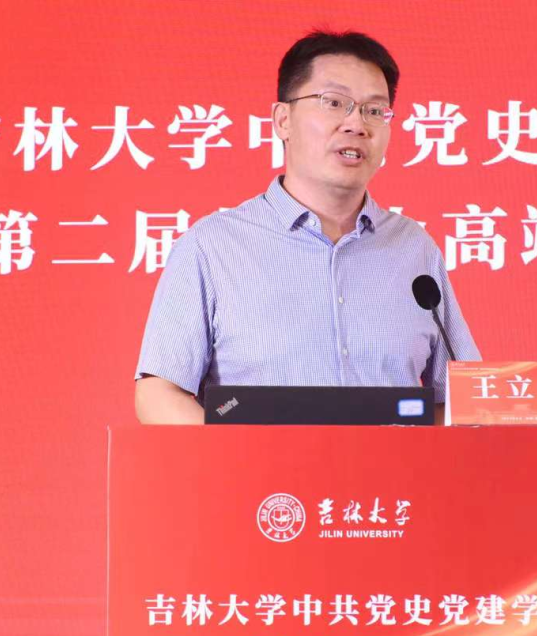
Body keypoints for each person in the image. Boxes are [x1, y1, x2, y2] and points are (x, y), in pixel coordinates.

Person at [134, 30, 480, 424]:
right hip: (258, 467)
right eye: (334, 103)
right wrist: (243, 453)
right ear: (283, 120)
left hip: (394, 467)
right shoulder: (213, 246)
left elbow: (463, 402)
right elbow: (158, 393)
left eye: (374, 111)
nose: (357, 124)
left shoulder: (413, 248)